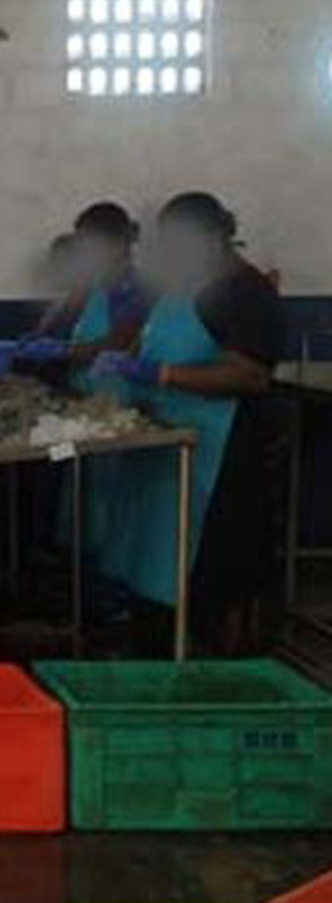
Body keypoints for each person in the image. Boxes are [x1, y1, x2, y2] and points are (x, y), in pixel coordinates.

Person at [90, 192, 286, 654]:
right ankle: (156, 649)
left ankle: (220, 668)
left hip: (220, 454)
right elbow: (151, 336)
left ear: (216, 237)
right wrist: (126, 359)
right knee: (160, 561)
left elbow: (251, 374)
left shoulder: (246, 291)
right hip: (167, 449)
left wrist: (162, 375)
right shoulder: (187, 284)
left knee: (217, 569)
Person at [21, 202, 154, 373]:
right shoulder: (92, 285)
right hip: (82, 387)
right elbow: (60, 319)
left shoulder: (134, 288)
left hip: (116, 393)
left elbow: (121, 341)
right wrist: (39, 336)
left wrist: (65, 351)